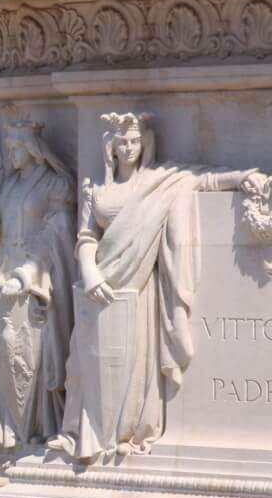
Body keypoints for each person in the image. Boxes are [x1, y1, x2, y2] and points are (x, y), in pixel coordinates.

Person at [49, 113, 267, 460]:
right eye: (122, 142)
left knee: (134, 365)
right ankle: (85, 433)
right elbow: (87, 236)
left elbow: (203, 180)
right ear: (111, 147)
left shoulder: (160, 181)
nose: (129, 148)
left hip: (138, 287)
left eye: (135, 141)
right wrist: (89, 272)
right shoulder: (97, 189)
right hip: (99, 287)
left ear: (145, 143)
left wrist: (241, 177)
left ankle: (125, 432)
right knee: (87, 363)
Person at [0, 120, 76, 448]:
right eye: (8, 149)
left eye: (15, 148)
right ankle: (10, 425)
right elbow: (5, 224)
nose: (10, 154)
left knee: (31, 353)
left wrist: (29, 273)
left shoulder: (54, 185)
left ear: (32, 149)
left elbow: (58, 231)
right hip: (3, 272)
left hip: (36, 282)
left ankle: (37, 425)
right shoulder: (7, 185)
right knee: (3, 352)